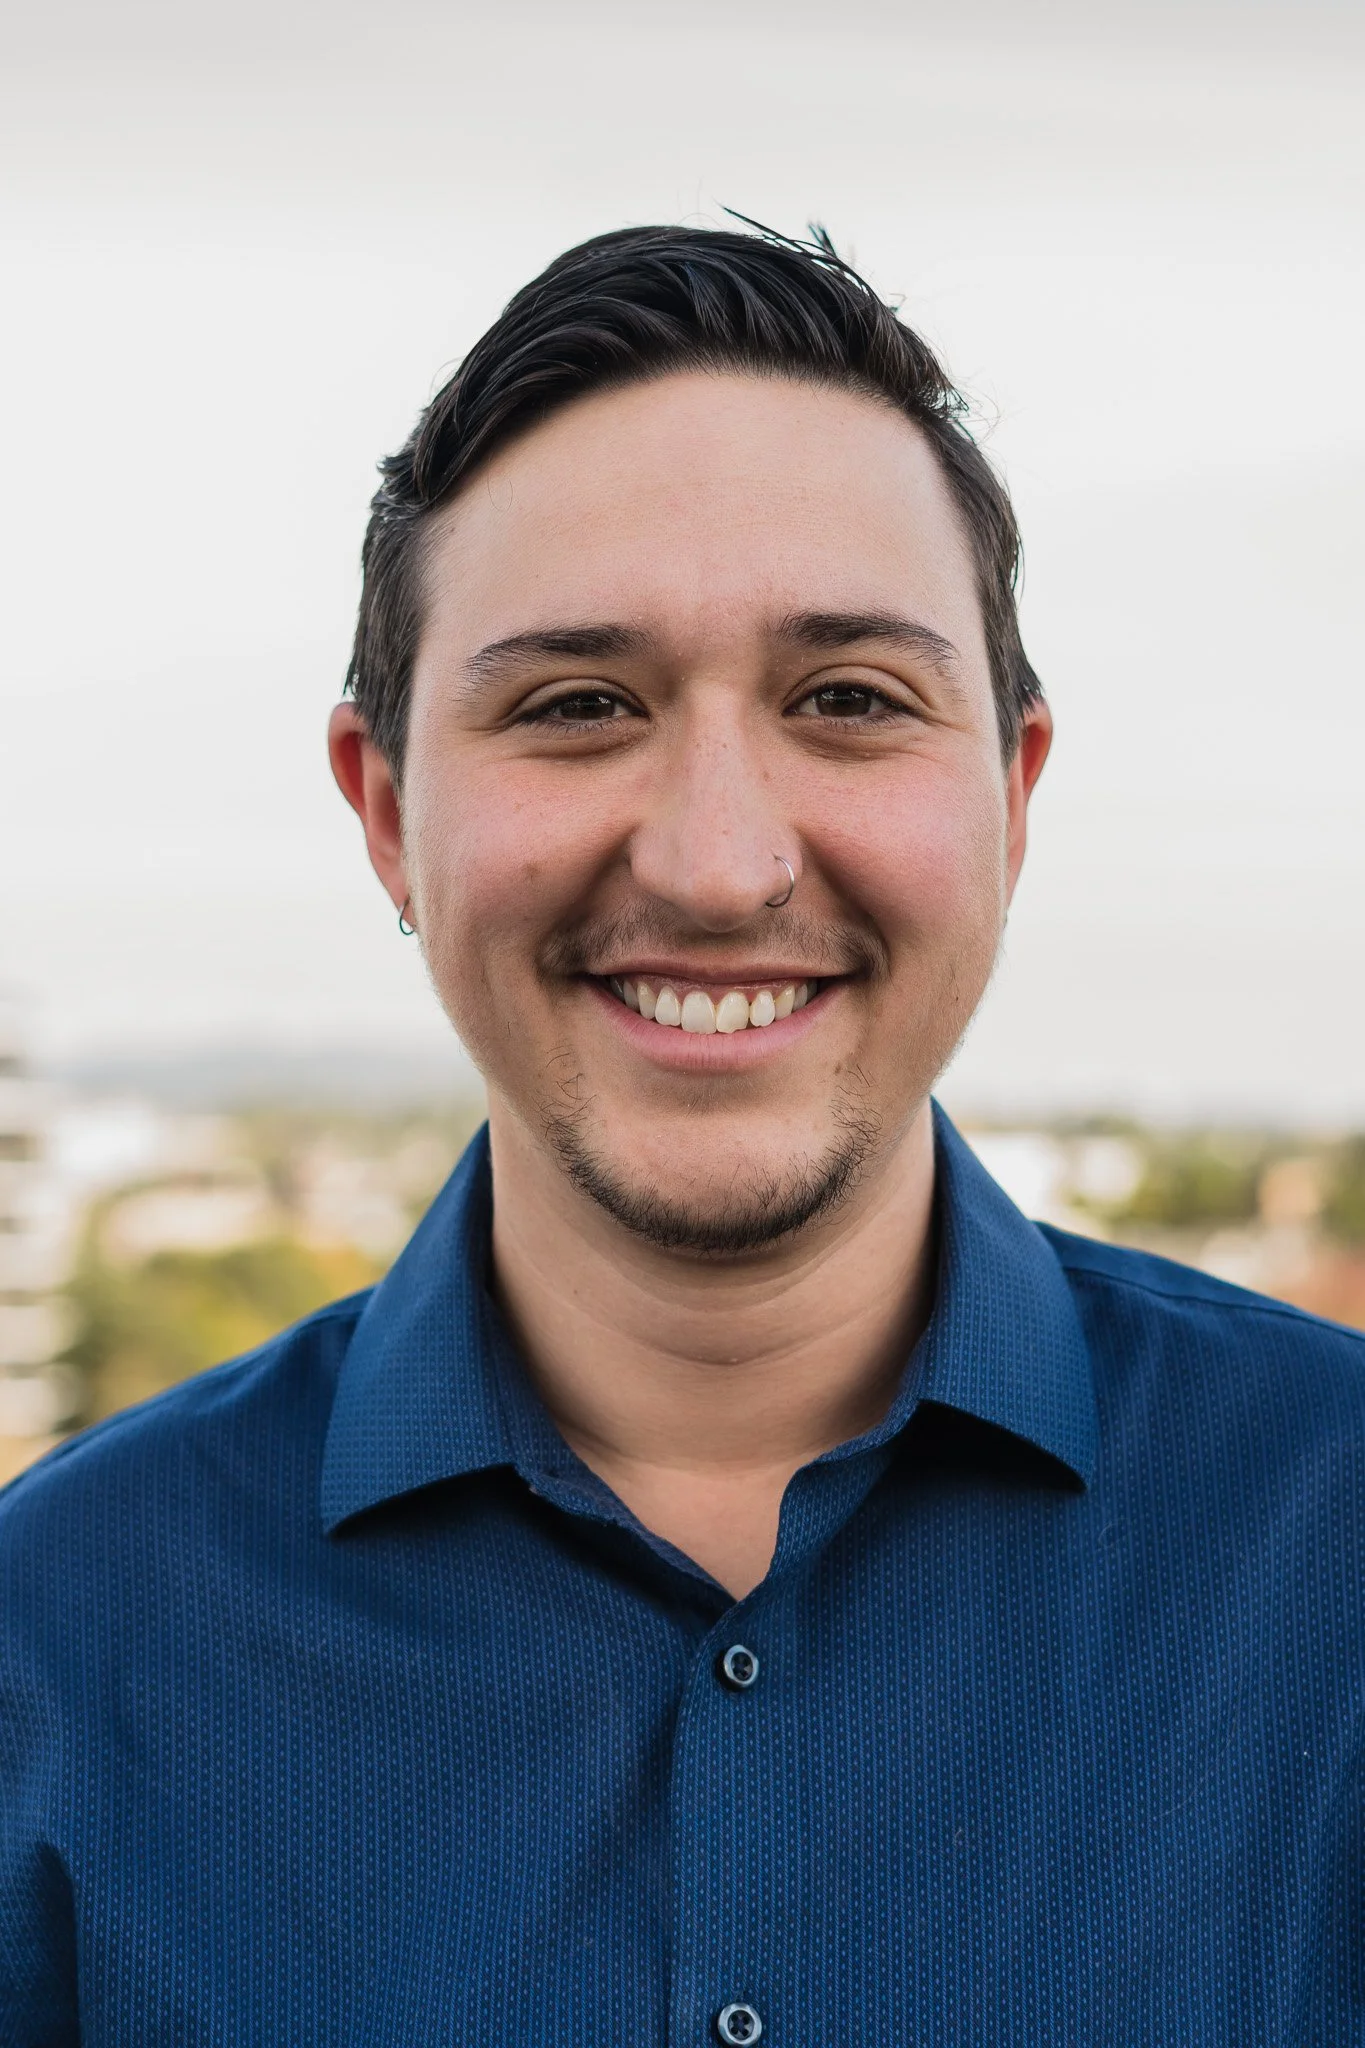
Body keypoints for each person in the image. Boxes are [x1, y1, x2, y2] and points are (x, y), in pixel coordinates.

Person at [2, 222, 1362, 2047]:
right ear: (389, 811)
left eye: (849, 703)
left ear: (1013, 796)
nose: (719, 865)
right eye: (578, 706)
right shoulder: (53, 1645)